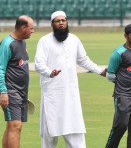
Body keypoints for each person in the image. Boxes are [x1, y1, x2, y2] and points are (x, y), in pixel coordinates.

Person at [35, 11, 106, 148]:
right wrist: (50, 72)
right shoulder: (44, 41)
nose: (61, 23)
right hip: (52, 94)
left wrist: (99, 71)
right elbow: (39, 64)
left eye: (64, 20)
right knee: (49, 135)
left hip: (70, 95)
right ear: (52, 24)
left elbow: (83, 60)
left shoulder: (74, 39)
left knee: (75, 130)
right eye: (58, 21)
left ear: (67, 22)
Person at [105, 23, 131, 148]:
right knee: (120, 126)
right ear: (125, 36)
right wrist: (120, 86)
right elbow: (110, 75)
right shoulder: (119, 53)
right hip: (123, 97)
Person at [0, 15, 34, 148]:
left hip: (22, 92)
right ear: (23, 28)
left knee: (12, 126)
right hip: (10, 91)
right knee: (16, 125)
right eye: (31, 28)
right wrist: (3, 92)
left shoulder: (22, 42)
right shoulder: (7, 44)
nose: (32, 31)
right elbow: (0, 69)